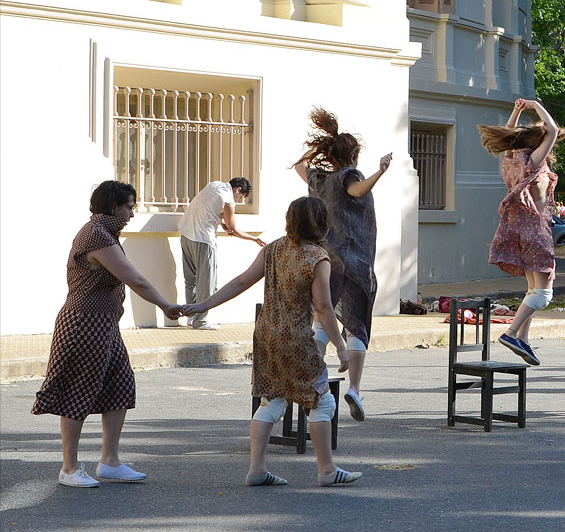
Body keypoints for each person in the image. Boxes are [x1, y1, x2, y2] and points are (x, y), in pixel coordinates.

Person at [181, 197, 360, 487]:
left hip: (266, 333)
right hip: (297, 337)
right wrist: (340, 344)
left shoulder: (273, 249)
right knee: (322, 402)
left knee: (271, 400)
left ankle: (257, 469)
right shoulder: (317, 257)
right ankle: (326, 470)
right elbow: (324, 308)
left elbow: (240, 281)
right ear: (322, 223)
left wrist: (203, 305)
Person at [32, 181, 182, 488]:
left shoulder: (105, 233)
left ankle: (110, 461)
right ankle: (69, 467)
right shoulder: (96, 236)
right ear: (112, 206)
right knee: (78, 392)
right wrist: (166, 305)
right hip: (83, 325)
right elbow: (134, 279)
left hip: (105, 325)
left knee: (120, 386)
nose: (131, 214)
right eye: (128, 207)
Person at [292, 108, 390, 422]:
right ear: (353, 156)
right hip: (355, 261)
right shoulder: (350, 176)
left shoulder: (319, 179)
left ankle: (313, 377)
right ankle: (355, 388)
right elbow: (356, 190)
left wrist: (320, 153)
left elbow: (299, 166)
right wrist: (380, 172)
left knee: (322, 320)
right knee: (357, 325)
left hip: (325, 259)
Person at [478, 98, 565, 366]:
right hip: (536, 232)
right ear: (538, 142)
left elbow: (511, 133)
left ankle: (523, 340)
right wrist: (535, 104)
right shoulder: (534, 161)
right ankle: (512, 332)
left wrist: (516, 112)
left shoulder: (510, 160)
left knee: (532, 290)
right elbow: (551, 128)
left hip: (518, 231)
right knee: (544, 294)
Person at [178, 177, 264, 330]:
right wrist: (254, 238)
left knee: (191, 281)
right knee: (207, 283)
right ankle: (201, 321)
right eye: (240, 197)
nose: (238, 201)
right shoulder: (228, 200)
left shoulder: (213, 185)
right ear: (238, 190)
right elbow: (234, 229)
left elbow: (206, 207)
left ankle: (190, 317)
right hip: (203, 239)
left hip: (185, 234)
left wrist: (219, 220)